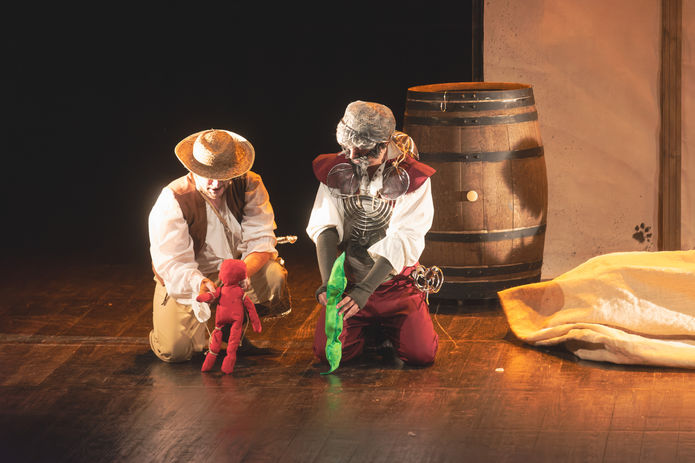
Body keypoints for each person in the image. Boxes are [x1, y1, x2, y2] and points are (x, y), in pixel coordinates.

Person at [307, 100, 439, 366]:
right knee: (328, 354)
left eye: (363, 150)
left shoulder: (411, 178)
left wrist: (367, 289)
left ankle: (392, 326)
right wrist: (329, 284)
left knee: (421, 355)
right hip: (350, 284)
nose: (353, 156)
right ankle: (371, 332)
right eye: (348, 147)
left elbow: (404, 238)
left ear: (384, 144)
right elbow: (326, 226)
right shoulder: (339, 168)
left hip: (396, 287)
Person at [148, 129, 291, 363]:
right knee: (174, 351)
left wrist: (240, 273)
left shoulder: (249, 184)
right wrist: (199, 283)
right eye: (208, 176)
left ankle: (231, 329)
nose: (215, 184)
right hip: (188, 277)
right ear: (194, 169)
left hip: (233, 272)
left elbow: (261, 240)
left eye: (223, 176)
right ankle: (163, 331)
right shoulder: (173, 199)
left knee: (273, 276)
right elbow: (173, 263)